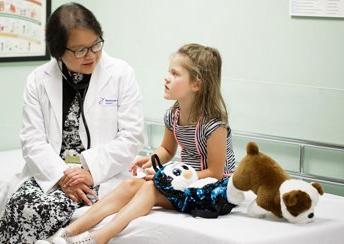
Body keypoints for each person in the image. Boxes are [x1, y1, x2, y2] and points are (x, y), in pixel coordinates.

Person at [41, 43, 236, 244]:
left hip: (216, 193)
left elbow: (215, 173)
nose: (167, 77)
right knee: (130, 184)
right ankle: (65, 234)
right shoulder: (174, 115)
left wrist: (168, 176)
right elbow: (168, 149)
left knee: (149, 189)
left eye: (176, 74)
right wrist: (151, 160)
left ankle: (98, 238)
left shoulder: (214, 125)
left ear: (196, 84)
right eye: (169, 72)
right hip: (187, 182)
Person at [0, 2, 144, 243]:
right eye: (80, 50)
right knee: (20, 204)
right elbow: (32, 139)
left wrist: (88, 173)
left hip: (99, 174)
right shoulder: (38, 79)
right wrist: (62, 176)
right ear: (59, 50)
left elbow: (131, 137)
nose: (91, 55)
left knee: (40, 210)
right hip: (52, 173)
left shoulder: (121, 73)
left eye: (95, 45)